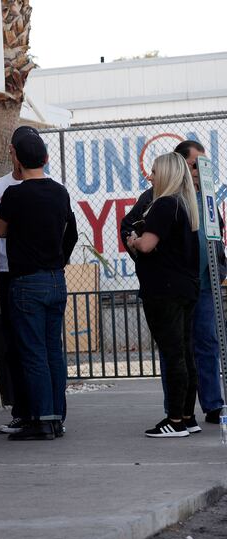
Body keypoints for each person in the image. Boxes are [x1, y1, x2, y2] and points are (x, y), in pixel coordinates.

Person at [121, 140, 225, 428]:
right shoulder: (157, 198)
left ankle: (208, 407)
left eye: (204, 165)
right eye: (195, 164)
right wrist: (138, 247)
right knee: (176, 349)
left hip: (200, 285)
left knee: (203, 344)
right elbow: (130, 227)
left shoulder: (203, 199)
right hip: (178, 284)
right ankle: (178, 410)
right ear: (180, 165)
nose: (199, 171)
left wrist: (221, 266)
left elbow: (217, 235)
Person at [0, 131, 78, 441]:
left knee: (32, 352)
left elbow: (1, 230)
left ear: (15, 157)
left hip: (26, 279)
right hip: (56, 277)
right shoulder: (60, 192)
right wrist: (60, 257)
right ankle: (56, 416)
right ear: (45, 157)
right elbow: (71, 232)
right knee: (53, 350)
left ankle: (41, 418)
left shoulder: (15, 194)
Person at [126, 152, 200, 438]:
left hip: (165, 290)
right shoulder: (185, 205)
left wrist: (133, 239)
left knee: (173, 354)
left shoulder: (164, 205)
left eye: (154, 171)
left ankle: (175, 419)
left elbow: (146, 245)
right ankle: (187, 415)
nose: (150, 176)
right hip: (185, 287)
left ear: (166, 174)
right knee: (184, 352)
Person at [0, 126, 40, 435]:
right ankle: (22, 411)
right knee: (16, 346)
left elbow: (66, 231)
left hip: (40, 272)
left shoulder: (52, 185)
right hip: (8, 272)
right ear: (11, 152)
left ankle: (48, 411)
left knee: (42, 346)